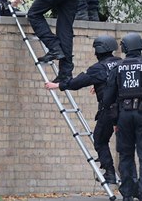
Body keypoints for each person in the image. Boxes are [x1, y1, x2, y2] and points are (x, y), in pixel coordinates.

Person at [45, 35, 121, 184]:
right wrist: (98, 85)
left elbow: (77, 83)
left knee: (100, 140)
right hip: (125, 109)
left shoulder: (98, 68)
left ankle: (110, 173)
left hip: (109, 110)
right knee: (125, 146)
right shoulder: (120, 62)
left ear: (98, 51)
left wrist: (58, 85)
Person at [102, 33, 142, 201]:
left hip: (124, 117)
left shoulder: (118, 67)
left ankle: (128, 194)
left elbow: (108, 98)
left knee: (125, 154)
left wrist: (114, 120)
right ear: (140, 47)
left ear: (124, 48)